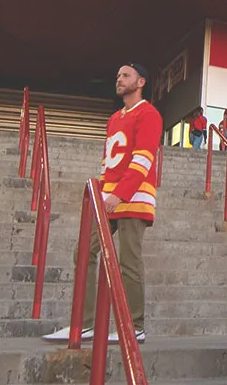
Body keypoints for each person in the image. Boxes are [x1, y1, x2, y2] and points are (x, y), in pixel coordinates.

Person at [47, 62, 162, 343]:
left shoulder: (149, 114)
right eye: (118, 75)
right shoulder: (114, 118)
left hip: (133, 198)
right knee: (84, 251)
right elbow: (108, 161)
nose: (119, 79)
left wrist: (119, 194)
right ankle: (85, 323)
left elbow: (144, 158)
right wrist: (101, 195)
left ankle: (135, 327)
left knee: (128, 259)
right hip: (108, 198)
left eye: (126, 75)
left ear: (141, 82)